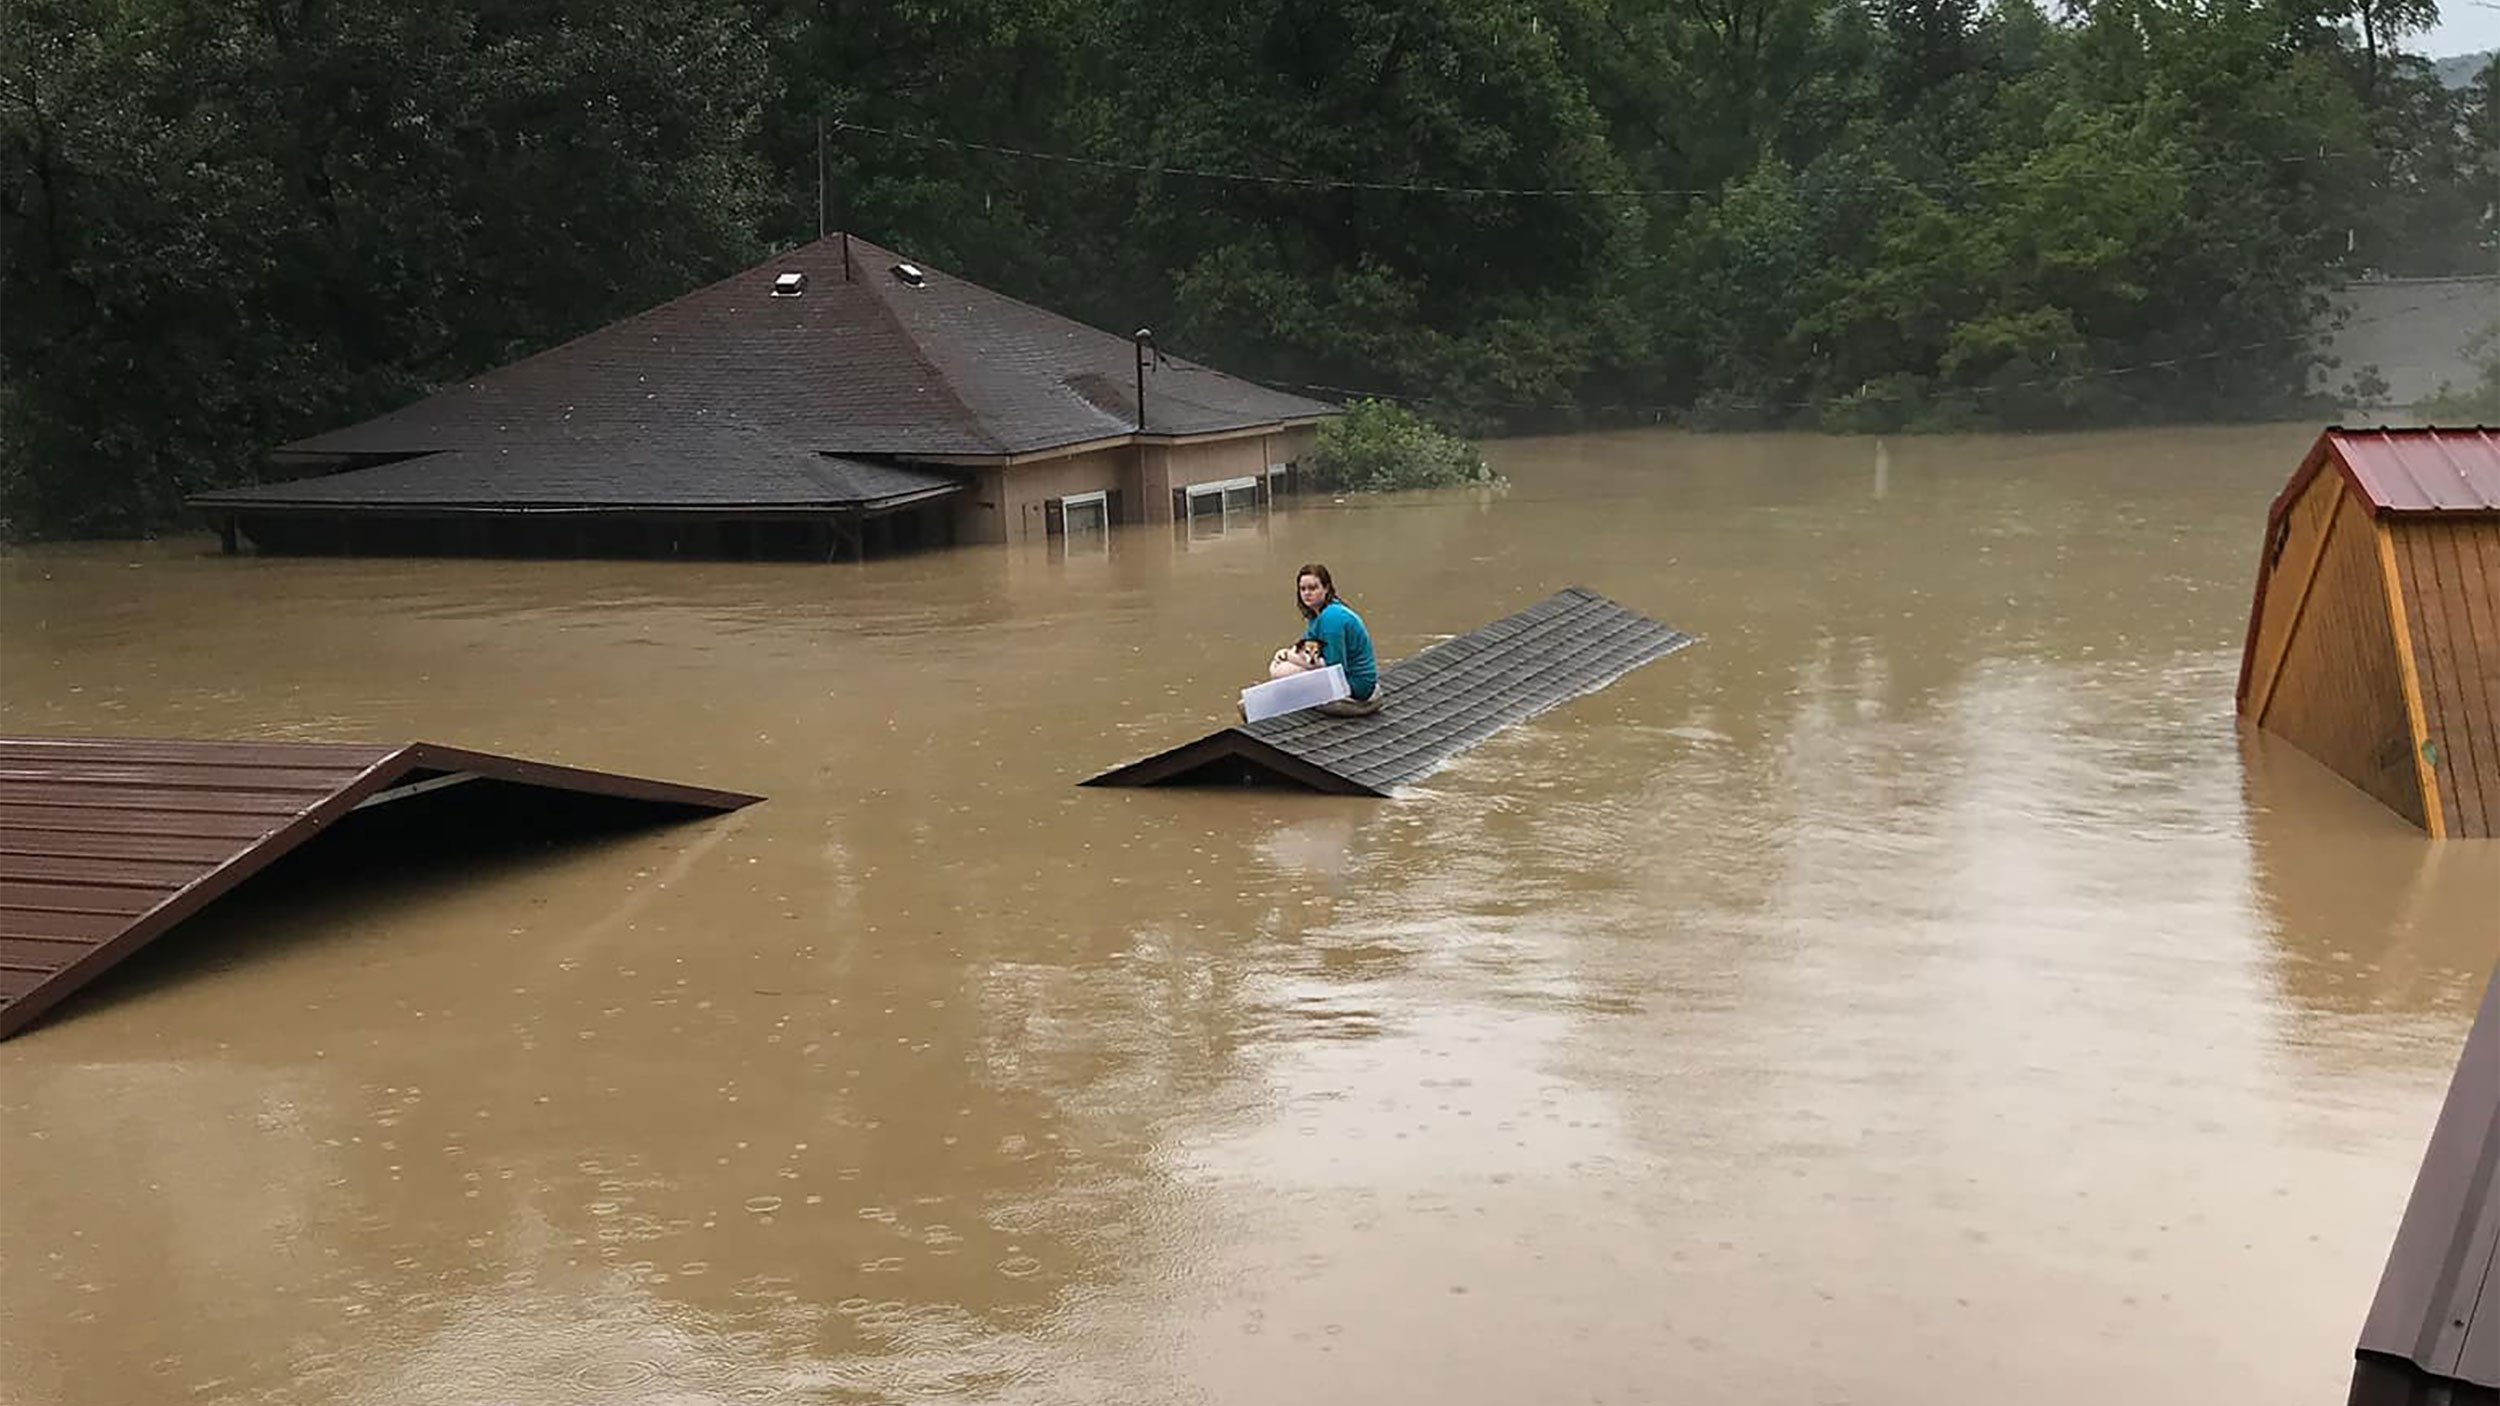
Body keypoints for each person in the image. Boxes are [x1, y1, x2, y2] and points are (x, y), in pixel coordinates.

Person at [1293, 563, 1383, 716]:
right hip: (1350, 679)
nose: (1307, 593)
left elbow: (1335, 668)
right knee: (1282, 667)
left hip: (1357, 686)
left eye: (1313, 588)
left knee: (1284, 672)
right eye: (1303, 589)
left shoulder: (1331, 617)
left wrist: (1291, 658)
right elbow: (1305, 649)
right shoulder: (1316, 616)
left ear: (1326, 588)